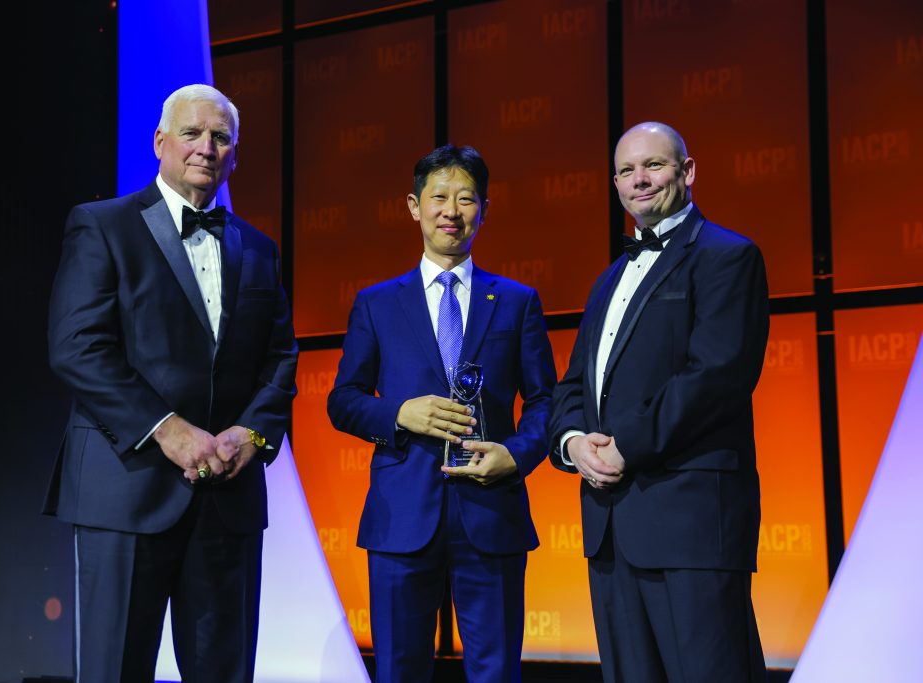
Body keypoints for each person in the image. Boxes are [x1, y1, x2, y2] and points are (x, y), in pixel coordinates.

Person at [44, 83, 298, 682]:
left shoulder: (260, 249)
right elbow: (77, 347)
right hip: (124, 490)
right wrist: (167, 429)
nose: (206, 148)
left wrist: (252, 436)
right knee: (114, 670)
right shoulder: (101, 225)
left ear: (234, 154)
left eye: (221, 138)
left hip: (227, 500)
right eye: (192, 133)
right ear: (160, 142)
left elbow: (281, 359)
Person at [548, 122, 769, 682]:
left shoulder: (727, 256)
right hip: (611, 526)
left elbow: (715, 377)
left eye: (654, 165)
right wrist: (574, 444)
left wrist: (627, 447)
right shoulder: (608, 279)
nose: (639, 180)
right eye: (626, 171)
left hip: (690, 520)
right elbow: (573, 384)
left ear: (687, 172)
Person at [327, 144, 556, 683]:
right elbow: (344, 400)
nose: (452, 211)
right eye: (439, 198)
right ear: (413, 206)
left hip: (491, 513)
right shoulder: (378, 303)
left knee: (496, 671)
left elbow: (548, 401)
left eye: (466, 199)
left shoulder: (518, 301)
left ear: (484, 209)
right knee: (400, 671)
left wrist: (515, 455)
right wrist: (399, 414)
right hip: (402, 516)